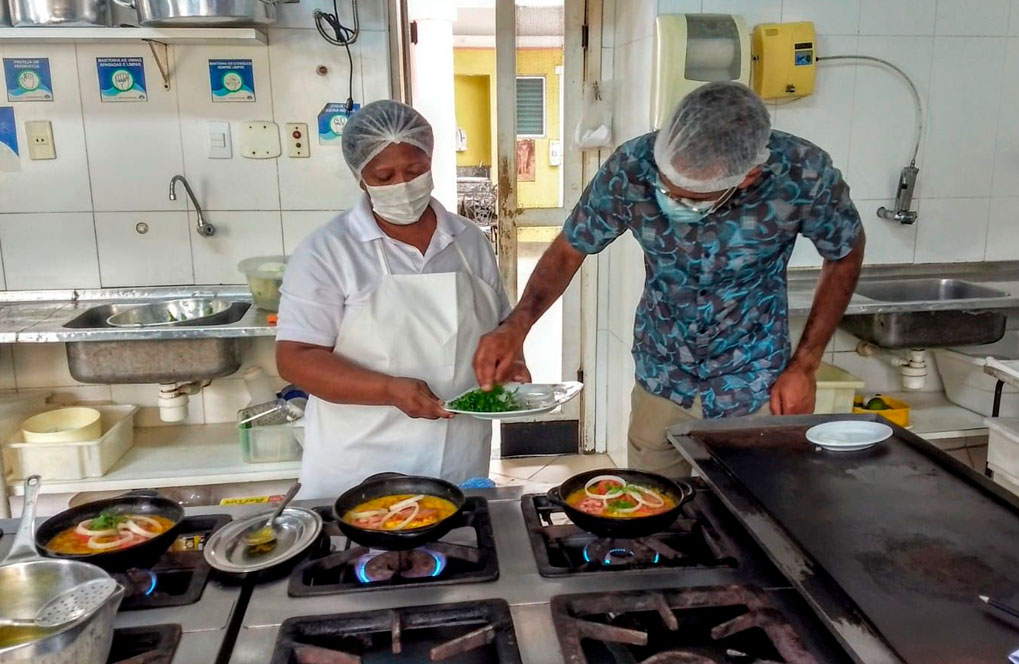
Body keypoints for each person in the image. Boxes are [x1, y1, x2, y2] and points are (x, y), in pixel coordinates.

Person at [474, 82, 865, 478]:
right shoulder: (632, 166)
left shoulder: (803, 173)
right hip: (662, 375)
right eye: (665, 186)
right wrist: (516, 326)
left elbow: (845, 253)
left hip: (754, 381)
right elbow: (568, 249)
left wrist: (806, 364)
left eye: (692, 198)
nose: (671, 200)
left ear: (747, 177)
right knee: (653, 507)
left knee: (751, 511)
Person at [276, 100, 528, 499]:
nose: (403, 185)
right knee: (362, 556)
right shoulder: (328, 250)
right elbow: (296, 357)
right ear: (361, 179)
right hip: (362, 463)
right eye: (384, 175)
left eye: (414, 171)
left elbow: (498, 326)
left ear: (430, 162)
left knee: (455, 548)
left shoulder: (467, 241)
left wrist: (511, 362)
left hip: (457, 452)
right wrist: (390, 390)